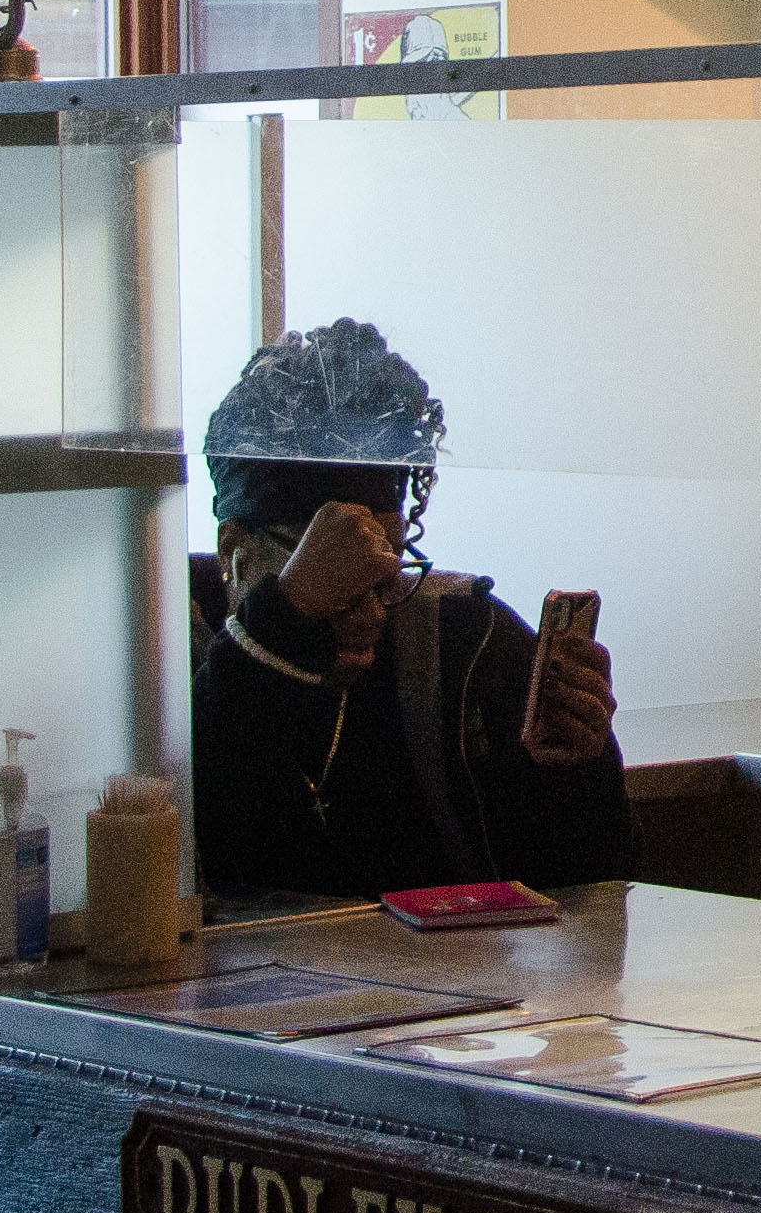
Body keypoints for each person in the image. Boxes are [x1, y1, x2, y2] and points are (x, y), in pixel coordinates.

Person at [190, 317, 631, 901]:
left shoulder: (462, 640)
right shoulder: (154, 653)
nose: (370, 610)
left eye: (385, 568)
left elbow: (589, 895)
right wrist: (280, 623)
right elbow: (206, 858)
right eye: (332, 568)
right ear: (233, 550)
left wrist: (575, 771)